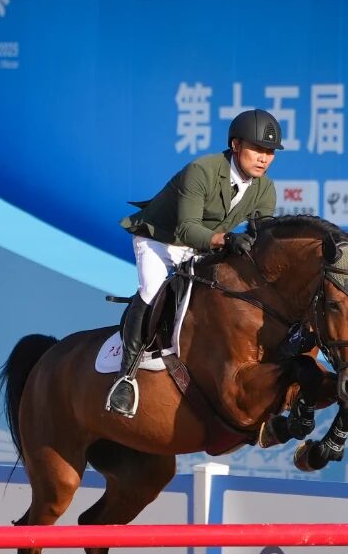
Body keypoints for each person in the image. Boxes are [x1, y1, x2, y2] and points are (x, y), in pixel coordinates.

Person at [106, 108, 283, 417]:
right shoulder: (202, 170)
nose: (264, 158)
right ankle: (126, 376)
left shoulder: (265, 188)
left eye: (270, 152)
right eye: (257, 148)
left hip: (203, 246)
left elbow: (262, 237)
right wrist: (227, 240)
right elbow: (187, 229)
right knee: (151, 290)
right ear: (236, 144)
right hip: (161, 239)